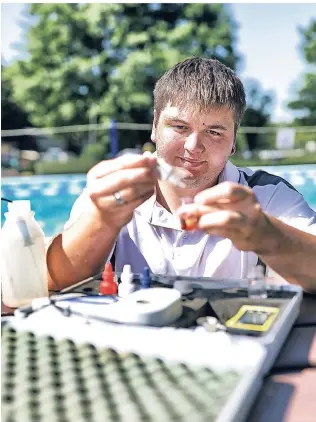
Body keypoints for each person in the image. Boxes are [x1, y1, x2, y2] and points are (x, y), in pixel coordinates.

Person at [47, 57, 316, 292]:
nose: (193, 146)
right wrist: (102, 220)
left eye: (214, 131)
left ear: (233, 141)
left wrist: (265, 233)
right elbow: (55, 281)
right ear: (154, 126)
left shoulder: (267, 196)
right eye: (179, 126)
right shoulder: (115, 191)